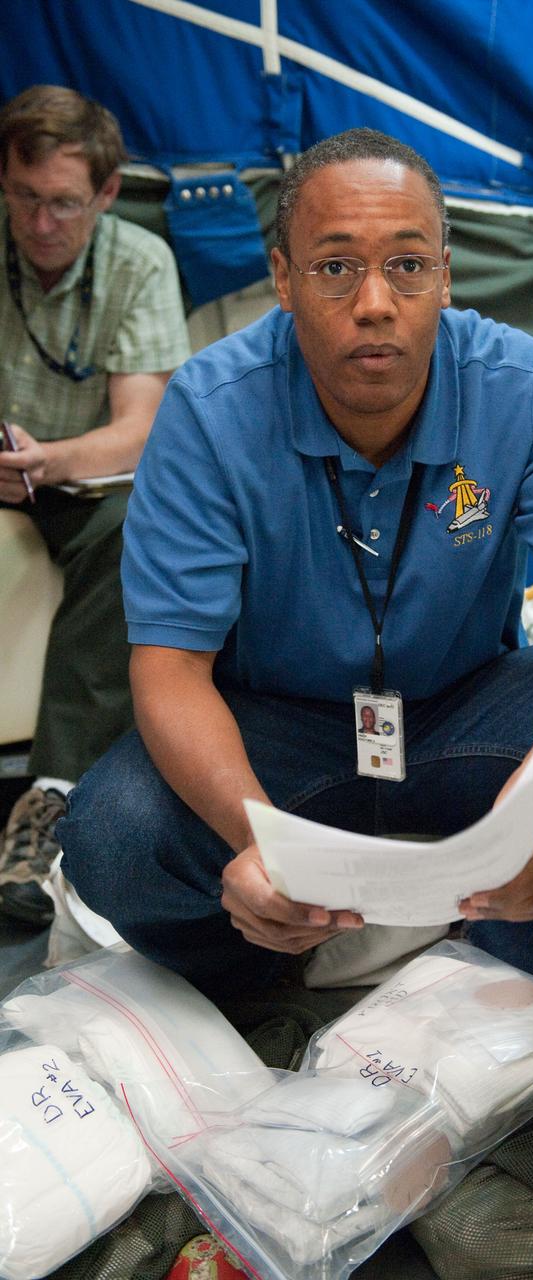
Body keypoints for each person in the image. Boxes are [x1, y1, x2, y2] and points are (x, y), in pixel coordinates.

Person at [58, 128, 533, 1003]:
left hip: (458, 709)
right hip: (275, 727)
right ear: (283, 279)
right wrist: (259, 840)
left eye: (406, 265)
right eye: (335, 267)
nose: (374, 303)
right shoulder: (210, 413)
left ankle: (476, 985)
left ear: (445, 275)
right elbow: (170, 671)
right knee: (112, 835)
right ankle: (258, 985)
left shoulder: (519, 386)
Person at [0, 85, 191, 926]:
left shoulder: (138, 262)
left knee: (132, 529)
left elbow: (139, 430)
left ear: (107, 193)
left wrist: (47, 461)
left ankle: (51, 798)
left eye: (64, 204)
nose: (41, 224)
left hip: (79, 479)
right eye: (24, 197)